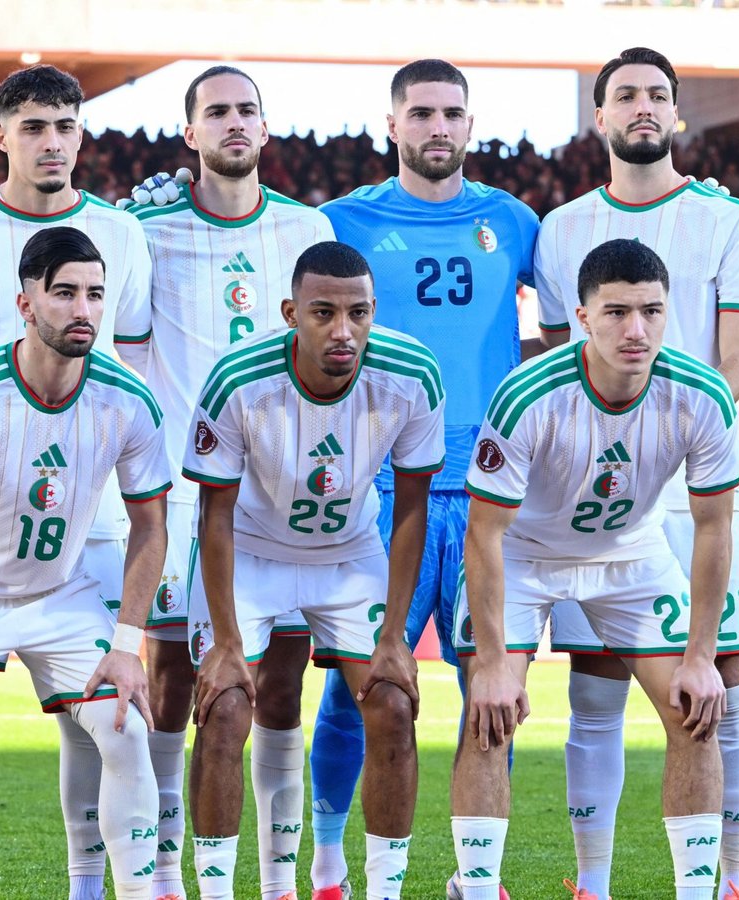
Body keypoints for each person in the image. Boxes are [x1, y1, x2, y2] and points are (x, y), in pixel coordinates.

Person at [0, 63, 153, 900]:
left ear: (82, 136)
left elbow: (133, 352)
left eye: (66, 127)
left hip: (91, 515)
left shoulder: (122, 232)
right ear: (2, 135)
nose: (53, 143)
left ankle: (92, 885)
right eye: (36, 127)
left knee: (101, 723)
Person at [535, 47, 739, 900]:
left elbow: (738, 363)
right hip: (592, 502)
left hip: (688, 488)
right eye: (625, 95)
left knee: (725, 687)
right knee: (594, 691)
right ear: (598, 117)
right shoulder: (559, 229)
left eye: (658, 96)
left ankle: (731, 883)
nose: (643, 107)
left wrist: (656, 440)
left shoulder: (730, 219)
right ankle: (589, 884)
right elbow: (567, 357)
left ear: (676, 116)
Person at [305, 59, 538, 898]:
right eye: (422, 113)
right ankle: (330, 861)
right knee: (363, 688)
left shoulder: (512, 221)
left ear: (470, 126)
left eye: (452, 114)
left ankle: (478, 879)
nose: (438, 127)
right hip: (381, 489)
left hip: (486, 491)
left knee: (492, 684)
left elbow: (565, 325)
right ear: (393, 124)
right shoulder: (343, 219)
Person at [452, 238, 737, 900]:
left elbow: (715, 526)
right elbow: (485, 531)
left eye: (650, 311)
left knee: (696, 707)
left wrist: (701, 654)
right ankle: (477, 885)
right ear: (582, 318)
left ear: (668, 313)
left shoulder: (702, 395)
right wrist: (493, 662)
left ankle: (696, 892)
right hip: (523, 555)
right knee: (487, 714)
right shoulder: (528, 394)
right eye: (615, 313)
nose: (635, 330)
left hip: (629, 553)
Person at [129, 65, 336, 900]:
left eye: (247, 109)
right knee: (174, 680)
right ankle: (166, 872)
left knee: (280, 682)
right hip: (185, 492)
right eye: (216, 112)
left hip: (282, 493)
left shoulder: (306, 227)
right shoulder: (143, 227)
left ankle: (279, 878)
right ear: (190, 134)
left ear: (266, 126)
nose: (234, 122)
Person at [183, 241, 441, 900]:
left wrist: (393, 639)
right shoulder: (239, 378)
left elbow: (412, 508)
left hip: (348, 556)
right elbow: (213, 515)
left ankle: (382, 893)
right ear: (290, 312)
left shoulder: (413, 375)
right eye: (323, 312)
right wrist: (228, 644)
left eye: (358, 312)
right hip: (248, 551)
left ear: (374, 311)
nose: (343, 330)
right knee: (226, 707)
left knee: (391, 703)